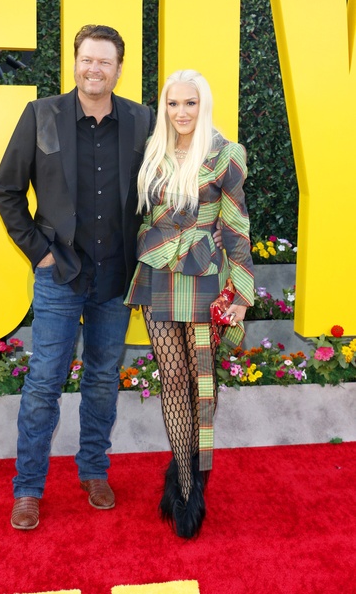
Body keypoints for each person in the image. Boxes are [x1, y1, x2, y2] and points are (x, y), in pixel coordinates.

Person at [0, 24, 157, 530]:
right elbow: (6, 190)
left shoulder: (142, 120)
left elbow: (160, 188)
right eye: (87, 59)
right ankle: (28, 488)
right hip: (60, 274)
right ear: (75, 62)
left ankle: (93, 471)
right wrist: (39, 253)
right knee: (45, 381)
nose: (94, 69)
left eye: (105, 61)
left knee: (103, 379)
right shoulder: (41, 115)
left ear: (119, 69)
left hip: (115, 278)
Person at [124, 69, 254, 539]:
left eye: (190, 103)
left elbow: (236, 227)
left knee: (202, 380)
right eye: (173, 103)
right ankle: (184, 481)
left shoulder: (224, 154)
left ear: (204, 105)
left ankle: (194, 474)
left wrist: (241, 294)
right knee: (173, 376)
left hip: (203, 273)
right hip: (158, 270)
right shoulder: (152, 149)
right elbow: (140, 213)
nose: (181, 112)